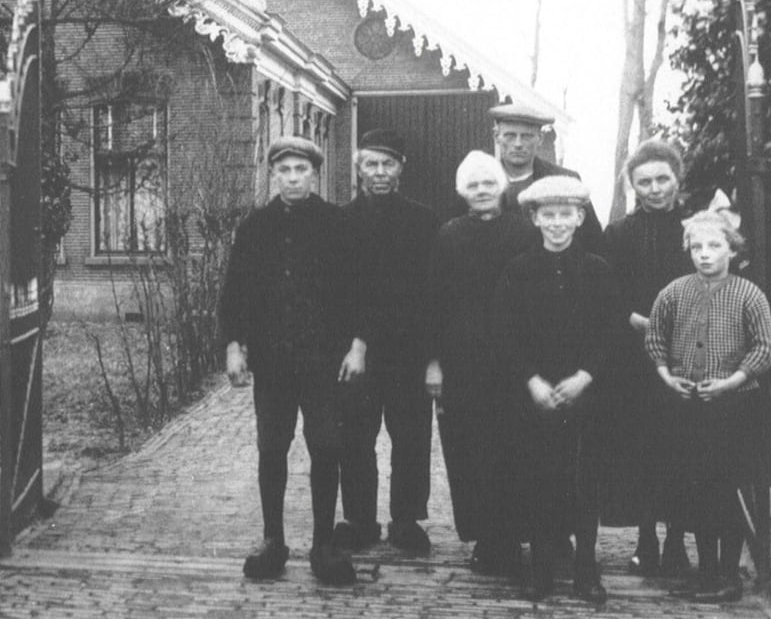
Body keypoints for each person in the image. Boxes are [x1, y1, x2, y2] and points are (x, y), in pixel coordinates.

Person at [218, 135, 368, 586]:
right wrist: (233, 345)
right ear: (273, 175)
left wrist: (358, 345)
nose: (292, 178)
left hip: (324, 361)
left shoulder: (338, 223)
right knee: (271, 449)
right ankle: (274, 541)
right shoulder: (254, 227)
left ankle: (323, 545)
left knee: (325, 446)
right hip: (273, 362)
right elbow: (235, 291)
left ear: (314, 174)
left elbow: (361, 291)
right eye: (284, 170)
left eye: (301, 170)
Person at [491, 175, 618, 604]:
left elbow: (610, 332)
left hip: (585, 396)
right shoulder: (518, 271)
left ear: (580, 218)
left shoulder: (598, 270)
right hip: (536, 397)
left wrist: (586, 375)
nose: (558, 223)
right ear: (535, 219)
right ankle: (541, 568)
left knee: (584, 482)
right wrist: (531, 380)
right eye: (549, 215)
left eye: (566, 214)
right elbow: (505, 333)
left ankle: (586, 568)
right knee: (539, 480)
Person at [646, 205, 771, 603]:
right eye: (696, 247)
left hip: (734, 407)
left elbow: (764, 349)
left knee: (729, 489)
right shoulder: (674, 292)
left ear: (731, 250)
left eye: (714, 246)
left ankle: (729, 576)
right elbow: (655, 337)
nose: (705, 254)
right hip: (689, 407)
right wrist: (668, 377)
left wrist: (730, 383)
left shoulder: (749, 294)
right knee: (697, 488)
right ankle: (705, 573)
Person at [334, 128, 440, 557]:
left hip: (407, 352)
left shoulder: (425, 222)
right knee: (356, 438)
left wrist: (432, 357)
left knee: (411, 438)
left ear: (401, 168)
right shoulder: (341, 222)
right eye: (371, 164)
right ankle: (360, 520)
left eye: (388, 164)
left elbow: (432, 294)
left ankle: (406, 520)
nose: (379, 172)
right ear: (359, 168)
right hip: (356, 354)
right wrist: (353, 345)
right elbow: (340, 292)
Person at [428, 150, 534, 576]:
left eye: (489, 183)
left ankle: (516, 535)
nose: (482, 190)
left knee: (514, 448)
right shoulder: (449, 235)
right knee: (470, 450)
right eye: (473, 185)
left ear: (502, 186)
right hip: (463, 359)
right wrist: (434, 362)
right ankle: (486, 538)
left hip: (515, 357)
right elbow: (434, 303)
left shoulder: (525, 231)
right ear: (462, 192)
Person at [600, 138, 696, 576]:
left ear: (677, 178)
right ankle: (645, 540)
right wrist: (633, 318)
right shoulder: (619, 233)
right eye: (645, 182)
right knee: (639, 449)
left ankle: (676, 541)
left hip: (687, 354)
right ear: (633, 185)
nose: (655, 189)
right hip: (634, 358)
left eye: (662, 179)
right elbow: (606, 290)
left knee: (680, 447)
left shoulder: (695, 228)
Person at [489, 104, 604, 251]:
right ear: (496, 137)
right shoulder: (482, 183)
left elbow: (593, 242)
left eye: (526, 136)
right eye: (510, 136)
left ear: (540, 139)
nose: (518, 144)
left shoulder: (565, 180)